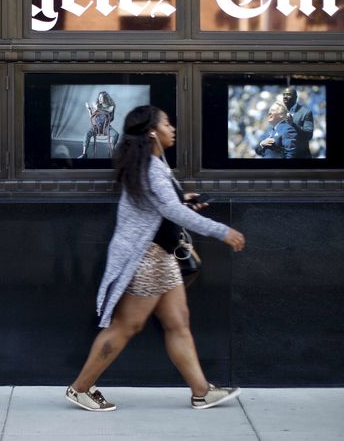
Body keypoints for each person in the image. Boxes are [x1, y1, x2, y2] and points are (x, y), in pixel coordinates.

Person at [65, 105, 246, 412]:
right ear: (152, 133)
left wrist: (183, 198)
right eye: (167, 124)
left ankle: (201, 391)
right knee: (126, 326)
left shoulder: (152, 164)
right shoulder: (151, 169)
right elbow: (171, 212)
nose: (172, 129)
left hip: (160, 257)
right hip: (145, 259)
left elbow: (164, 204)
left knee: (178, 322)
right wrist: (222, 232)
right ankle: (80, 389)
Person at [78, 91, 120, 158]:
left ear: (105, 98)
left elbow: (110, 113)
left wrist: (97, 108)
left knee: (116, 134)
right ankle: (84, 154)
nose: (99, 99)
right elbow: (92, 116)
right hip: (96, 127)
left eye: (101, 97)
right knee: (87, 134)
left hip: (106, 127)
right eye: (99, 97)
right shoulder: (97, 106)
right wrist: (89, 109)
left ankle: (111, 148)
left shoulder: (111, 106)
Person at [282, 87, 314, 158]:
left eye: (288, 94)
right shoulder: (280, 112)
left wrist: (293, 124)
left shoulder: (305, 112)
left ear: (295, 97)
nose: (285, 97)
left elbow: (308, 135)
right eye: (284, 94)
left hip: (300, 156)